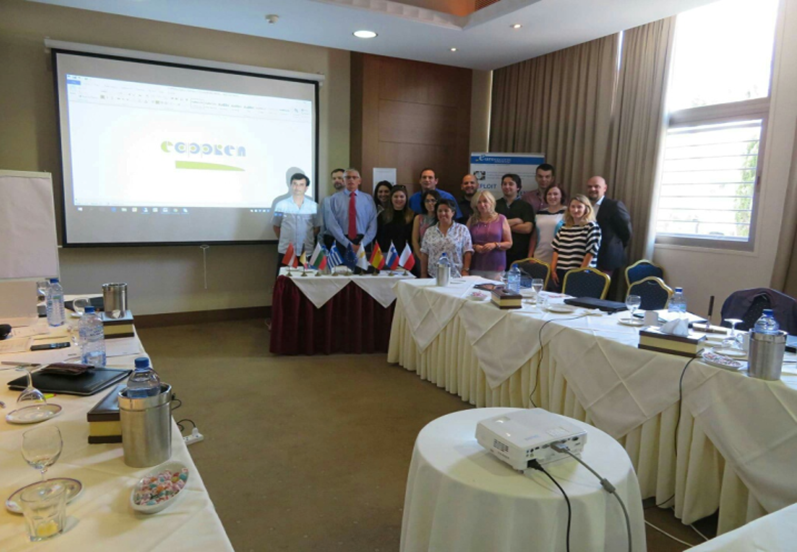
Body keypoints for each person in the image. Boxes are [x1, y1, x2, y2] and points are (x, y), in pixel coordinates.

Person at [585, 176, 632, 280]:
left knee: (601, 288)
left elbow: (626, 232)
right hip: (588, 257)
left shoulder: (614, 205)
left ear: (604, 188)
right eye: (589, 187)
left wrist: (615, 246)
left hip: (606, 258)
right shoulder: (585, 206)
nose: (592, 189)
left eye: (596, 186)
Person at [550, 195, 602, 289]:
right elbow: (556, 250)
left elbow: (591, 252)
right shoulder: (564, 227)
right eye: (573, 207)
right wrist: (553, 270)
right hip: (561, 272)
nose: (575, 210)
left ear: (586, 209)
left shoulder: (592, 226)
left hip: (581, 273)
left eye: (579, 207)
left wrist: (580, 273)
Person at [272, 173, 320, 275]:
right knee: (285, 280)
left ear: (306, 188)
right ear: (290, 185)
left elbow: (317, 228)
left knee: (307, 279)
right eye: (295, 184)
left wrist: (307, 237)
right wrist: (284, 239)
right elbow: (276, 226)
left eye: (301, 184)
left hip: (306, 251)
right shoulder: (281, 205)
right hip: (286, 251)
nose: (297, 187)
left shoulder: (314, 206)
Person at [323, 168, 378, 254]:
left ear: (359, 181)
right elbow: (332, 224)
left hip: (363, 241)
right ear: (344, 180)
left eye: (354, 177)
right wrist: (347, 244)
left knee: (364, 263)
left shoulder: (368, 199)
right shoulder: (334, 199)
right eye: (348, 177)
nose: (351, 179)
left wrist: (362, 244)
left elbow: (373, 223)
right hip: (342, 242)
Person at [420, 199, 473, 279]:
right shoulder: (429, 231)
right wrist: (423, 274)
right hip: (433, 276)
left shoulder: (462, 229)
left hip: (456, 275)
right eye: (440, 211)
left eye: (446, 211)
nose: (443, 213)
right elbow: (424, 253)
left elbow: (467, 251)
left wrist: (466, 270)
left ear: (453, 213)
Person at [467, 190, 512, 280]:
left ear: (491, 202)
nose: (482, 205)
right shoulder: (472, 220)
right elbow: (464, 242)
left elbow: (509, 243)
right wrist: (475, 247)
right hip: (475, 265)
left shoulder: (501, 219)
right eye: (479, 202)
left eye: (485, 201)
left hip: (496, 266)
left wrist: (495, 245)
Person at [495, 173, 536, 269]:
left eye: (510, 184)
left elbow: (527, 229)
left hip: (520, 253)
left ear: (518, 187)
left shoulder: (526, 206)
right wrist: (517, 220)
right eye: (504, 184)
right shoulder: (494, 205)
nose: (507, 186)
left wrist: (502, 226)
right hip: (498, 251)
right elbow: (492, 225)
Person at [530, 185, 567, 265]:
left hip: (559, 257)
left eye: (555, 194)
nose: (552, 197)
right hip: (539, 255)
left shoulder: (567, 212)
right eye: (549, 194)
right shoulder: (540, 213)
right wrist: (530, 255)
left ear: (561, 196)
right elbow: (534, 237)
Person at [377, 184, 415, 260]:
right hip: (387, 255)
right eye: (396, 196)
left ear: (406, 198)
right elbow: (379, 236)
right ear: (391, 198)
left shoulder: (413, 216)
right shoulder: (383, 215)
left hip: (407, 255)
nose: (398, 199)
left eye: (401, 196)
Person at [319, 168, 346, 249]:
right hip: (329, 239)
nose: (336, 180)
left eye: (340, 178)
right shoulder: (326, 201)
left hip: (347, 239)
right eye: (334, 178)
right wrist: (321, 243)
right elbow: (322, 223)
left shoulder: (354, 200)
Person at [411, 189, 440, 259]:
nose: (430, 203)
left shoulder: (442, 217)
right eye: (427, 201)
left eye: (433, 200)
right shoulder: (419, 218)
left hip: (439, 255)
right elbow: (414, 240)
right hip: (422, 254)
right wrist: (420, 257)